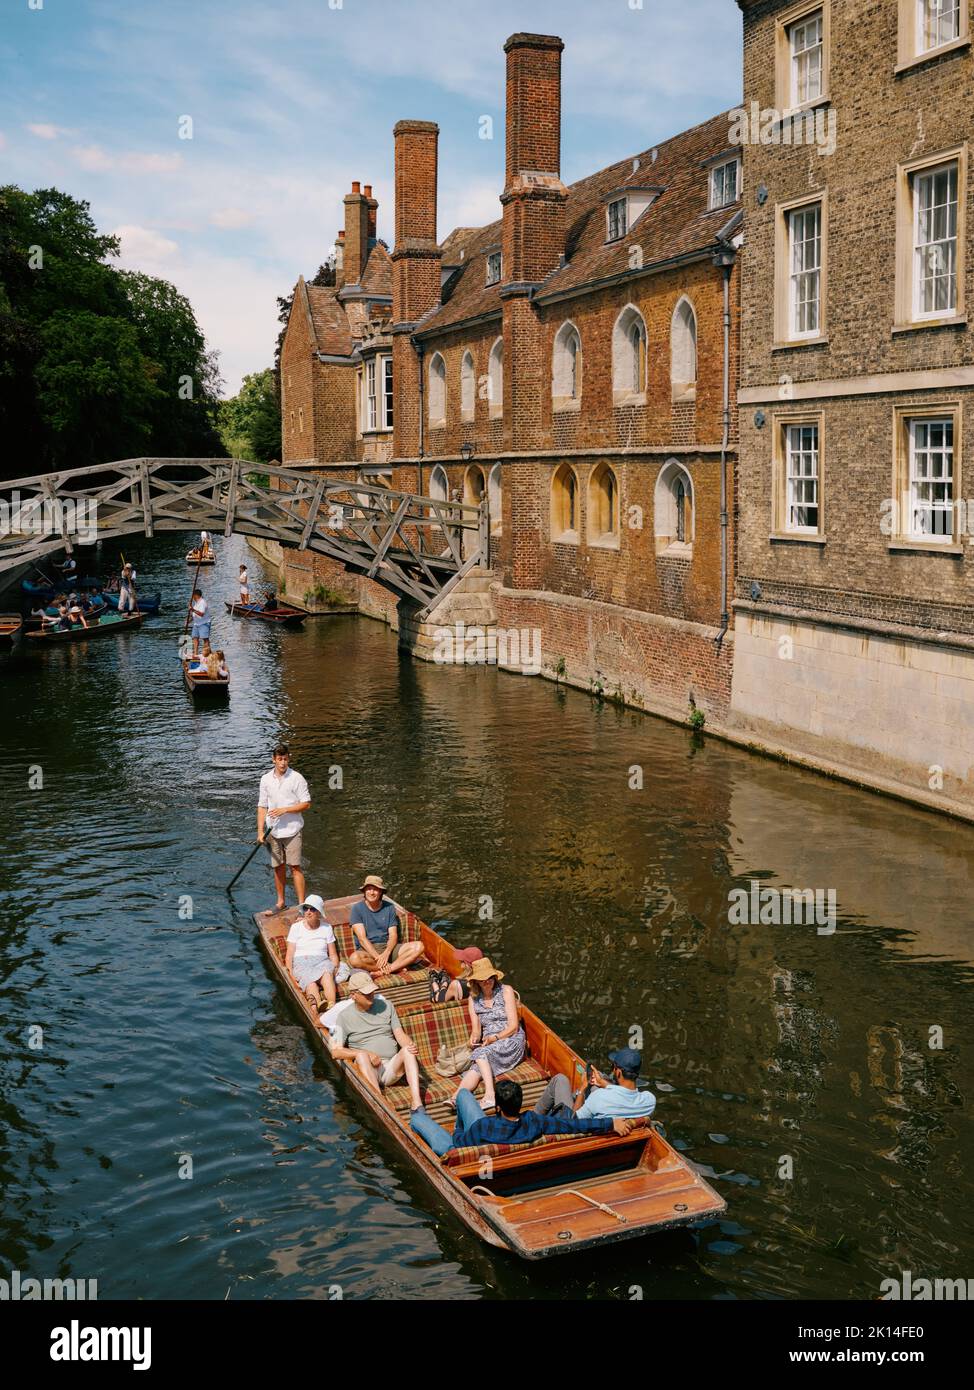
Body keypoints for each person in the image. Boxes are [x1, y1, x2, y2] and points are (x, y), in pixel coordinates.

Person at [410, 1077, 639, 1159]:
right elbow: (574, 1124)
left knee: (419, 1119)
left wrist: (459, 1128)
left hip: (461, 1150)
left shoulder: (483, 1126)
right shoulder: (534, 1122)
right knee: (462, 1096)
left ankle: (418, 1115)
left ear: (497, 1107)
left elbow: (459, 1144)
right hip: (497, 1142)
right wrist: (610, 1123)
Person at [328, 971, 423, 1110]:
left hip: (391, 1066)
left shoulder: (387, 1006)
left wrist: (409, 1045)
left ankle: (417, 1102)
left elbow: (400, 1034)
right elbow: (335, 1052)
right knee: (361, 1056)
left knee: (407, 1051)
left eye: (372, 991)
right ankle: (379, 1102)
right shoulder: (342, 1016)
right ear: (353, 995)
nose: (371, 996)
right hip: (369, 1069)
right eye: (366, 993)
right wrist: (364, 1053)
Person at [454, 956, 524, 1112]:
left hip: (510, 1038)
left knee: (480, 1054)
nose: (487, 981)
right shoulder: (473, 1000)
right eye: (482, 979)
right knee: (476, 1067)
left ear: (494, 977)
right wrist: (472, 1040)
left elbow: (514, 1026)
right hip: (490, 1042)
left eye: (490, 978)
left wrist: (495, 1038)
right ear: (476, 981)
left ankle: (490, 1095)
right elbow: (476, 1031)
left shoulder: (506, 990)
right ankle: (456, 1097)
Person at [534, 1047, 657, 1123]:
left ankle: (533, 1119)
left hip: (575, 1134)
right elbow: (625, 1094)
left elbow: (573, 1122)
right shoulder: (649, 1101)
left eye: (613, 1067)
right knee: (595, 1085)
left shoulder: (600, 1098)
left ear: (618, 1072)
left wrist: (582, 1088)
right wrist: (604, 1084)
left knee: (560, 1080)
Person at [257, 744, 311, 910]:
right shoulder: (265, 779)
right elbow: (262, 806)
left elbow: (306, 804)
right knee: (278, 866)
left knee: (295, 867)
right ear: (274, 759)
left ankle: (302, 905)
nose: (282, 763)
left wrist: (285, 810)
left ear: (289, 759)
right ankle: (281, 902)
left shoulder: (297, 778)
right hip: (273, 831)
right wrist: (260, 831)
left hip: (293, 830)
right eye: (279, 759)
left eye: (285, 759)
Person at [348, 876, 424, 978]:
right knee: (354, 959)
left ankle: (386, 970)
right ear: (364, 891)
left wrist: (387, 953)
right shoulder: (357, 909)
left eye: (375, 889)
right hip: (367, 950)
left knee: (419, 946)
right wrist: (378, 958)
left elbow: (393, 935)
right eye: (369, 889)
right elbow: (362, 939)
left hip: (388, 948)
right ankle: (396, 967)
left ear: (381, 892)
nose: (372, 892)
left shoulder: (389, 907)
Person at [285, 894, 339, 1010]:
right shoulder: (296, 927)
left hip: (322, 961)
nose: (308, 912)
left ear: (318, 912)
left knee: (327, 974)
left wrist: (334, 968)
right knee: (310, 982)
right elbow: (289, 956)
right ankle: (317, 1007)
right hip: (301, 962)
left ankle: (331, 1005)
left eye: (312, 909)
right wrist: (290, 974)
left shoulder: (327, 928)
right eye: (306, 908)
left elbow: (333, 954)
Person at [189, 588, 210, 657]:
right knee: (195, 638)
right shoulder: (196, 603)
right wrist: (190, 620)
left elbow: (201, 614)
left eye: (193, 596)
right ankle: (195, 654)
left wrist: (192, 609)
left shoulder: (202, 602)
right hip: (196, 624)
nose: (192, 597)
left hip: (204, 623)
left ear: (196, 595)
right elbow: (195, 614)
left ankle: (207, 654)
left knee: (205, 639)